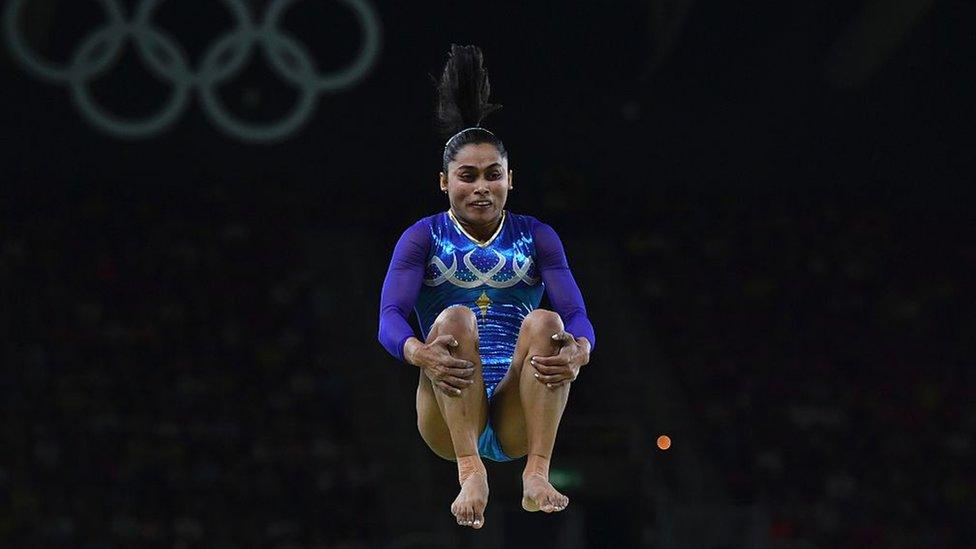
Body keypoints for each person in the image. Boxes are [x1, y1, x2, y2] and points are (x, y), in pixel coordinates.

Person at [377, 44, 595, 529]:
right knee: (455, 318)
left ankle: (536, 473)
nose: (481, 187)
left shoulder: (537, 236)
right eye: (467, 176)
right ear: (443, 182)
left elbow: (577, 315)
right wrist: (419, 354)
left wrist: (582, 348)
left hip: (523, 400)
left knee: (548, 322)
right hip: (451, 404)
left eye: (493, 175)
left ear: (510, 180)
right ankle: (470, 470)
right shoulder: (422, 237)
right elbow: (389, 317)